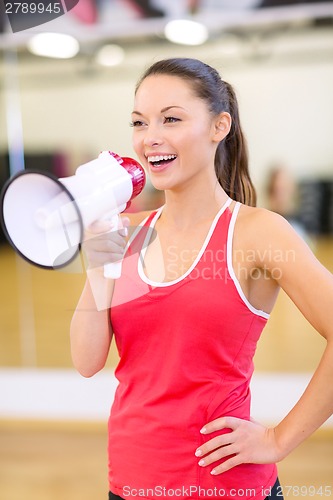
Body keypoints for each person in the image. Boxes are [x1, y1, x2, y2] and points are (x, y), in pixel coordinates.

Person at [70, 58, 333, 500]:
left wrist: (278, 440)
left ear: (219, 126)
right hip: (130, 480)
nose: (150, 137)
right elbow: (87, 359)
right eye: (139, 122)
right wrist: (98, 261)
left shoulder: (257, 232)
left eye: (171, 119)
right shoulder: (131, 233)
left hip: (222, 486)